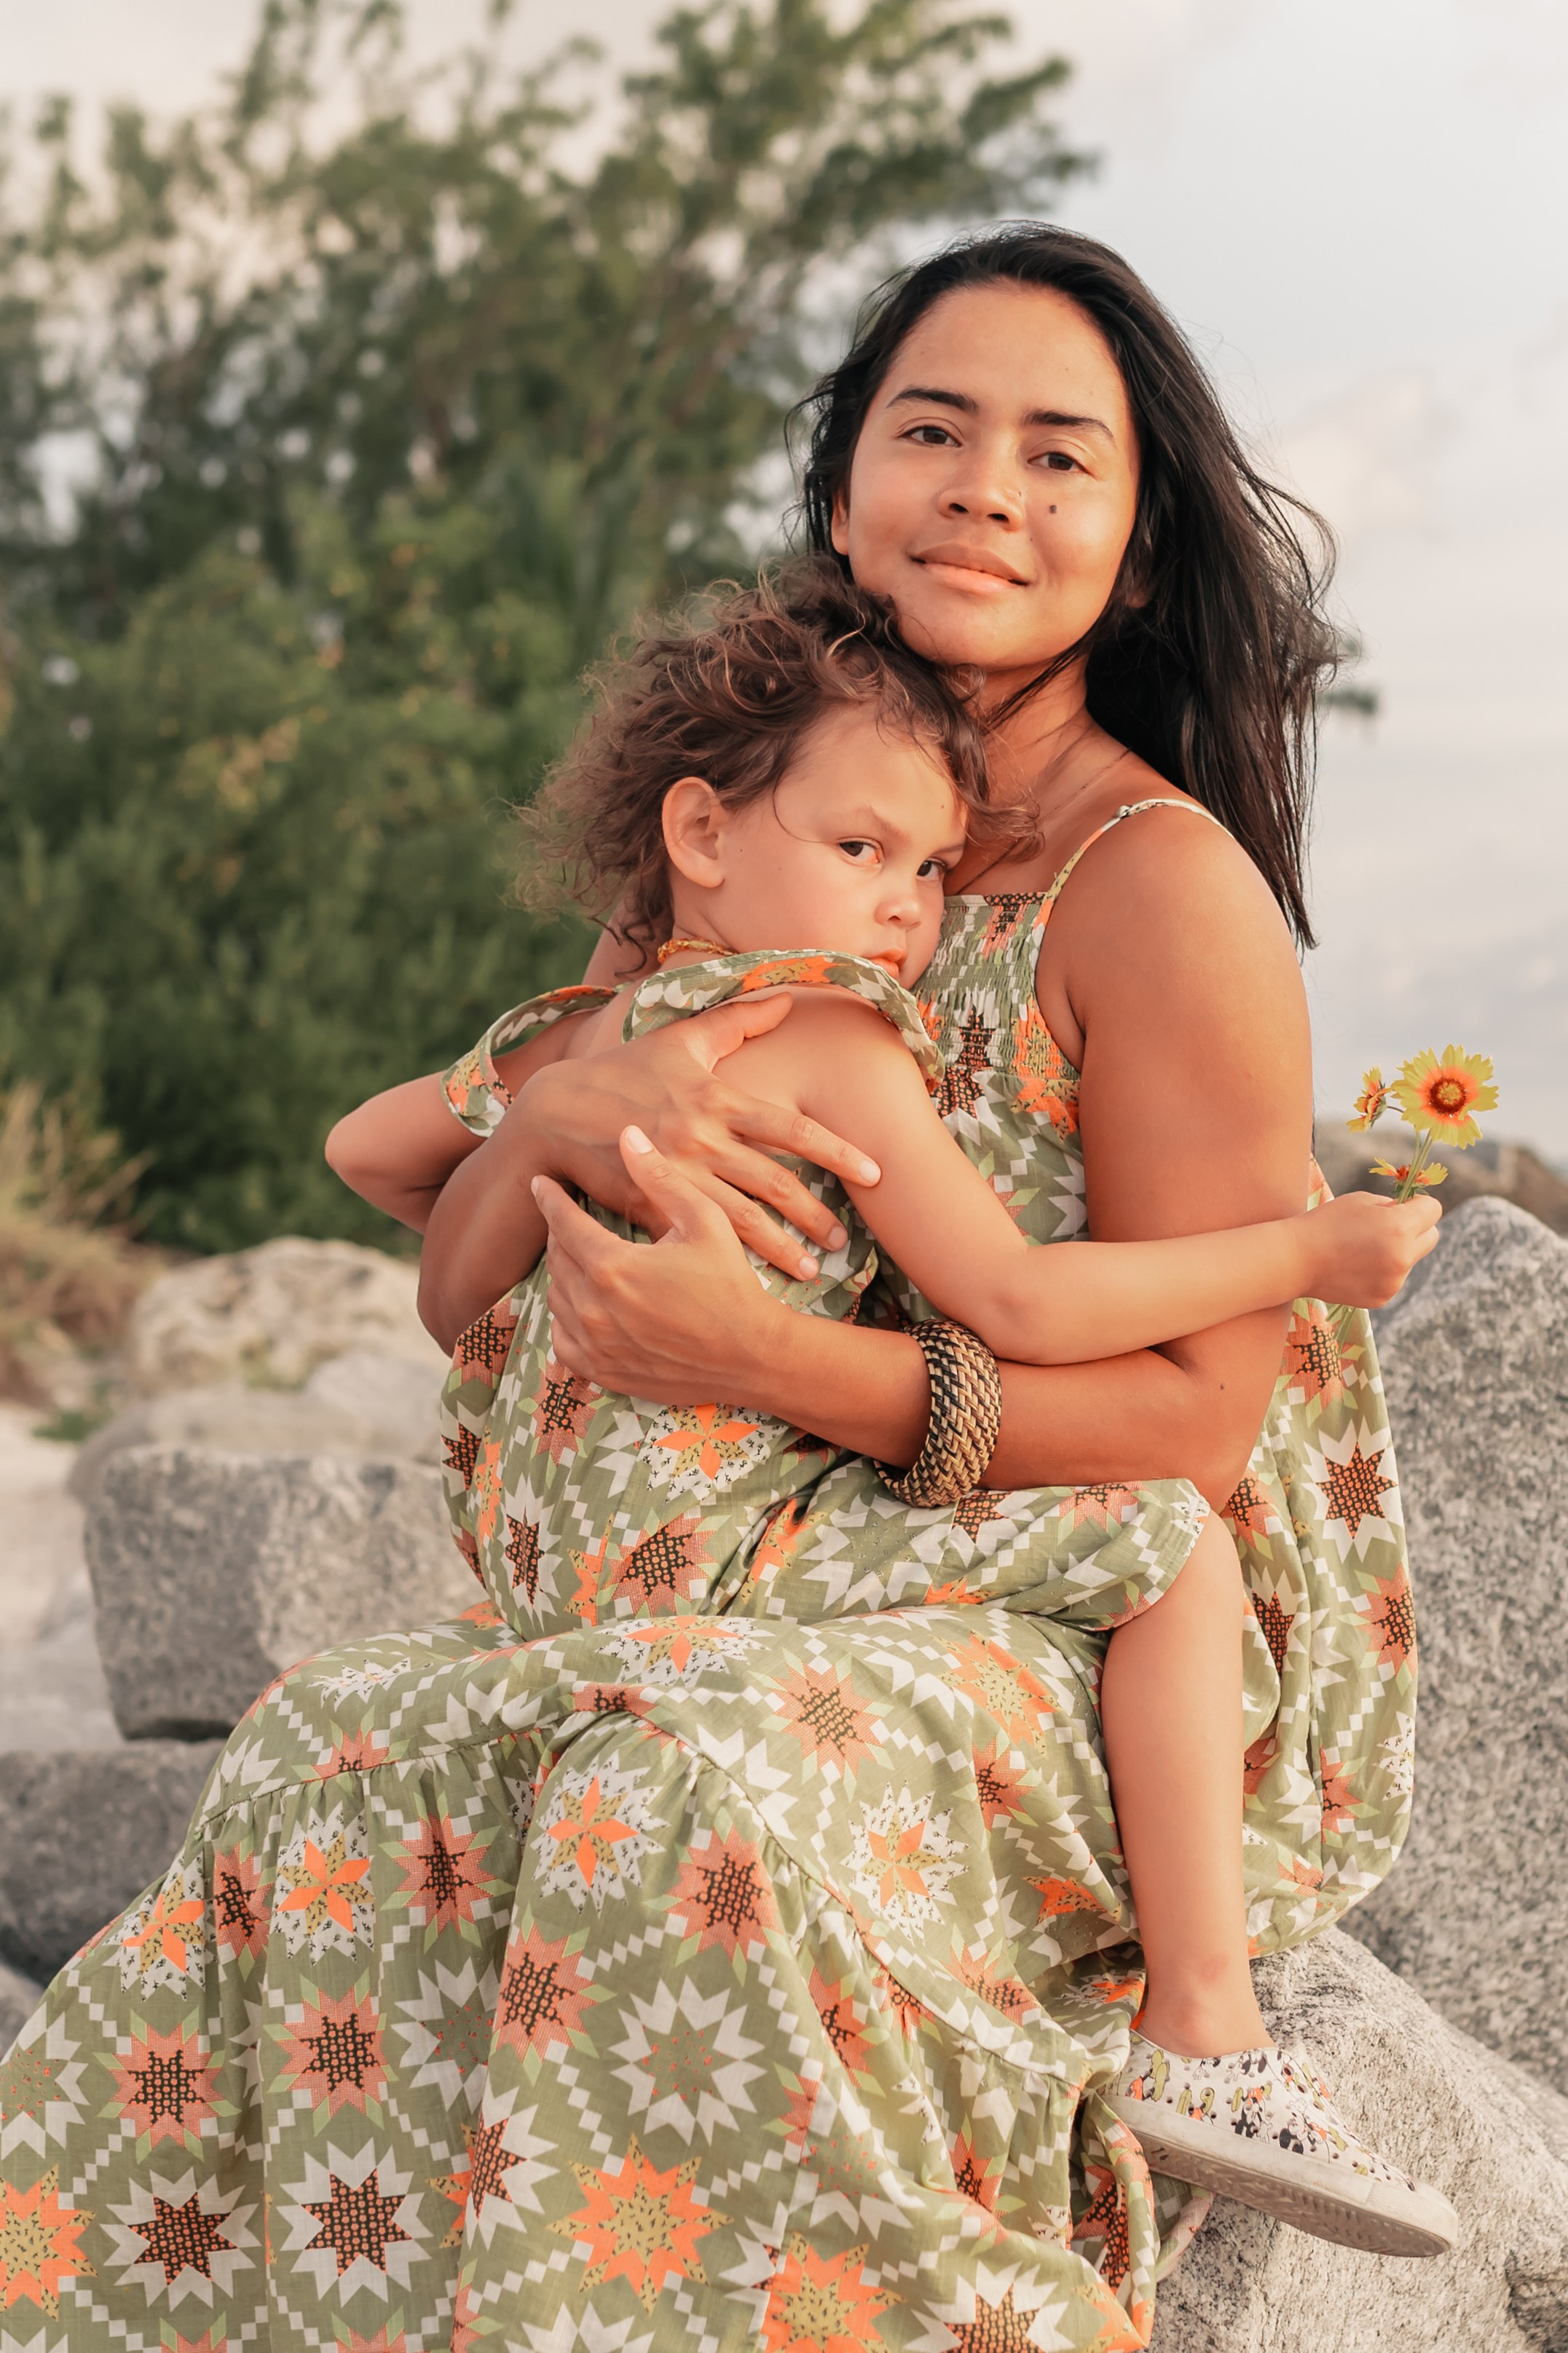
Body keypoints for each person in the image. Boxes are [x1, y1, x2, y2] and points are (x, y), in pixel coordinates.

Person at [0, 229, 1436, 2353]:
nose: (981, 488)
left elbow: (1191, 1437)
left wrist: (779, 1362)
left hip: (1086, 1611)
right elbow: (478, 1230)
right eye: (928, 430)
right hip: (748, 1573)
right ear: (843, 481)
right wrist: (562, 1123)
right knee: (331, 1749)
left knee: (673, 1791)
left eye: (1059, 456)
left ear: (1132, 554)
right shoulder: (756, 836)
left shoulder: (1158, 891)